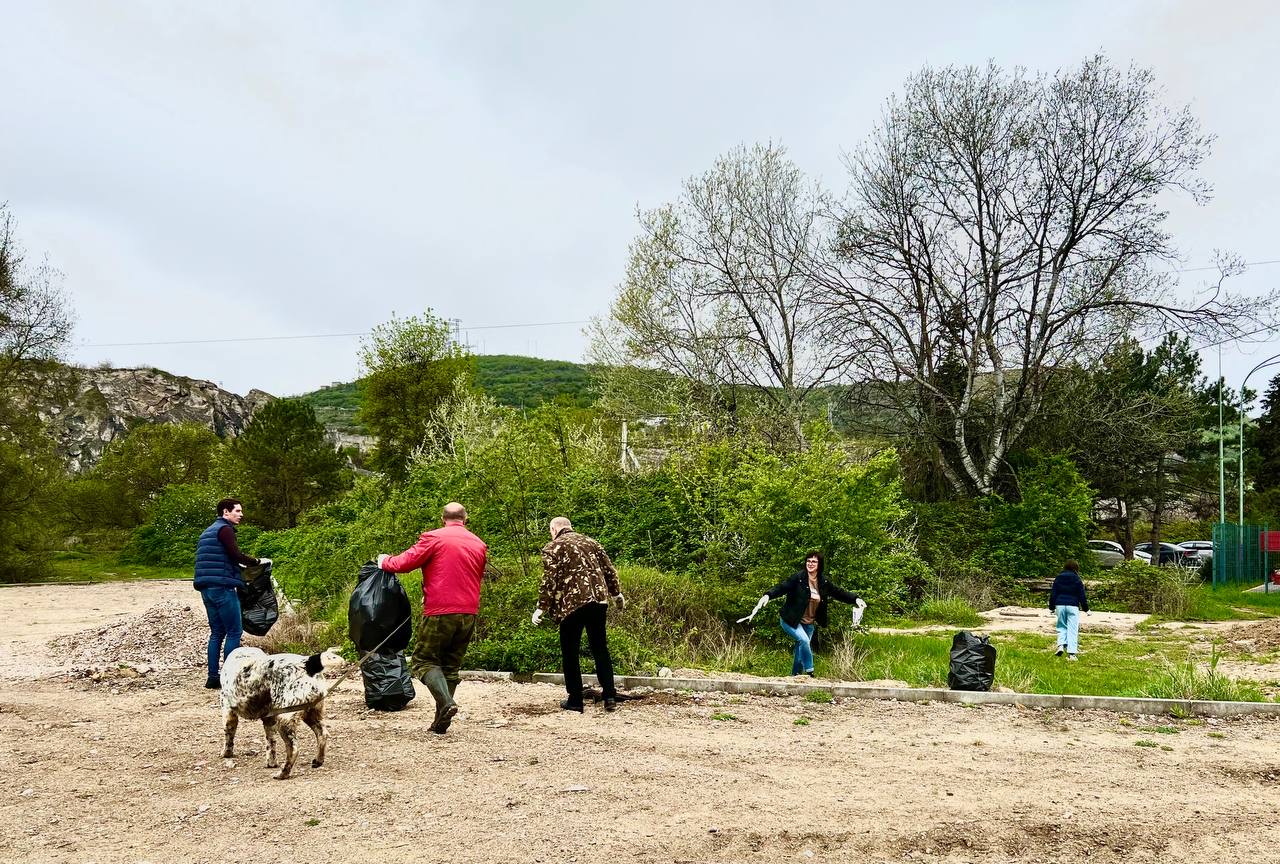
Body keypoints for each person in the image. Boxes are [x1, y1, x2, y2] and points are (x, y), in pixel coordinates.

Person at [377, 502, 487, 734]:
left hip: (440, 611)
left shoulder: (434, 538)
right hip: (469, 612)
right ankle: (441, 721)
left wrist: (384, 561)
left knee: (424, 661)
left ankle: (446, 704)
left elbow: (404, 563)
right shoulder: (478, 543)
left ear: (442, 518)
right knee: (451, 666)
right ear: (465, 520)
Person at [531, 517, 625, 713]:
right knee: (600, 648)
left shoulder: (553, 547)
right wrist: (616, 594)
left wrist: (541, 607)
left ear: (553, 529)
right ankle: (609, 696)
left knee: (570, 652)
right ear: (570, 526)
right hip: (599, 602)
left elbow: (550, 579)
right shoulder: (592, 542)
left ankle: (575, 699)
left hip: (572, 605)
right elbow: (610, 570)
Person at [743, 552, 865, 677]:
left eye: (814, 561)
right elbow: (782, 587)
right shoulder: (798, 578)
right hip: (790, 620)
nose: (810, 564)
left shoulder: (824, 582)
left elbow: (839, 593)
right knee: (804, 640)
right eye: (808, 561)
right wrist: (767, 595)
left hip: (809, 623)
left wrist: (856, 599)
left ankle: (795, 677)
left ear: (819, 565)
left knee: (800, 652)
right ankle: (810, 671)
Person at [194, 498, 269, 689]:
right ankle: (230, 677)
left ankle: (213, 677)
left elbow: (219, 558)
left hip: (206, 588)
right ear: (226, 512)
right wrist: (257, 561)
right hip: (223, 588)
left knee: (216, 632)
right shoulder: (225, 529)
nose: (241, 514)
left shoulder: (207, 531)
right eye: (237, 511)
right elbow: (235, 555)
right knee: (234, 631)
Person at [1049, 559, 1089, 661]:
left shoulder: (1058, 578)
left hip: (1060, 605)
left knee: (1061, 626)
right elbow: (1081, 595)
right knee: (1072, 629)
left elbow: (1053, 593)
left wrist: (1051, 607)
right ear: (1076, 568)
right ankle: (1072, 654)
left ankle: (1061, 645)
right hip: (1073, 606)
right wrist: (1086, 609)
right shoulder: (1077, 579)